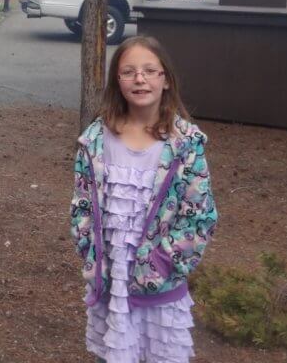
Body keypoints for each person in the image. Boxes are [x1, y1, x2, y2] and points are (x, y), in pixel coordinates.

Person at [70, 36, 217, 363]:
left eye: (150, 70)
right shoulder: (96, 140)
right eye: (129, 72)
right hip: (110, 285)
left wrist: (163, 265)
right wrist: (89, 250)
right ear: (116, 81)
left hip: (160, 290)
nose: (140, 79)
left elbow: (199, 218)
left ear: (166, 80)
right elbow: (81, 205)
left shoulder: (185, 145)